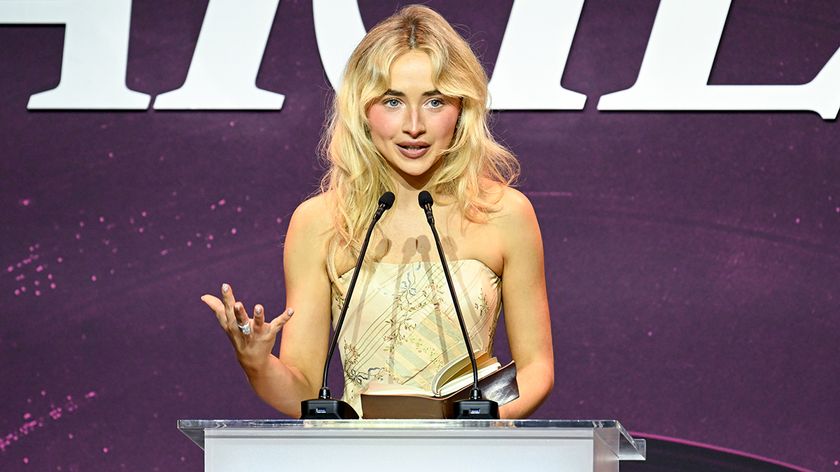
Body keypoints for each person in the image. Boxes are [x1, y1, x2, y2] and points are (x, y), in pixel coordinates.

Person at [201, 4, 553, 419]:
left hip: (471, 451)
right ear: (363, 111)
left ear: (462, 111)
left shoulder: (505, 214)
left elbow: (536, 369)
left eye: (435, 101)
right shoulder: (320, 223)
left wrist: (476, 429)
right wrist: (257, 363)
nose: (414, 125)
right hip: (355, 456)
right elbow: (303, 390)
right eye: (392, 101)